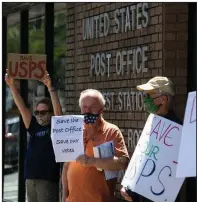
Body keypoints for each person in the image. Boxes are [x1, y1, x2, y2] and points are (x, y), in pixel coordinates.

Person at [120, 76, 182, 202]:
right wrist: (128, 186)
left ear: (163, 99)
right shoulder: (152, 122)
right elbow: (142, 158)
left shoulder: (177, 130)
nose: (146, 100)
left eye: (149, 96)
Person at [61, 89, 129, 202]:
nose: (87, 111)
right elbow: (67, 166)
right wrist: (64, 197)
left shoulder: (111, 131)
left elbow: (123, 163)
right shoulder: (74, 130)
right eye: (84, 107)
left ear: (101, 109)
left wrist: (92, 161)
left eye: (92, 107)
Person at [5, 69, 62, 202]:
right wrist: (12, 85)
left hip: (47, 179)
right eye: (37, 112)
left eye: (44, 112)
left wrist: (49, 86)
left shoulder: (55, 126)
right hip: (30, 178)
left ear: (50, 112)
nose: (40, 115)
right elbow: (22, 107)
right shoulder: (34, 126)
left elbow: (58, 112)